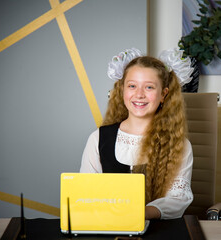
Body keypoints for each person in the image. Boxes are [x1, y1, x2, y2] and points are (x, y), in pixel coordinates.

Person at [80, 48, 194, 220]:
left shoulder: (179, 144)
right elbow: (85, 191)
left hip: (157, 228)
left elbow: (178, 199)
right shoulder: (98, 138)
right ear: (122, 90)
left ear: (163, 94)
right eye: (132, 86)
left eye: (149, 87)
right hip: (107, 225)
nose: (139, 94)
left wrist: (138, 215)